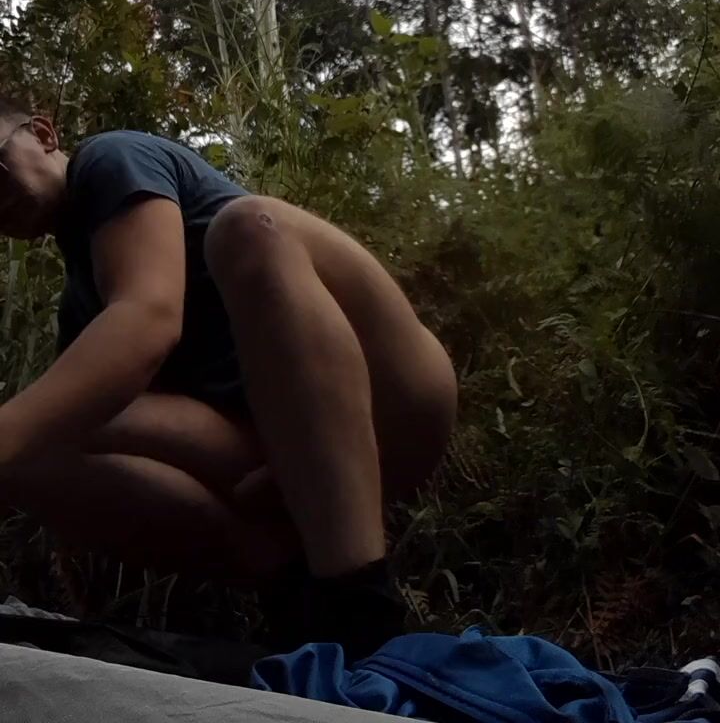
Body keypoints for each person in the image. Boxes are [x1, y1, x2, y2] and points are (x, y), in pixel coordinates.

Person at [0, 99, 457, 658]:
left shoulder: (110, 158)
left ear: (43, 134)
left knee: (247, 227)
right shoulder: (80, 301)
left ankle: (360, 605)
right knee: (44, 439)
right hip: (284, 464)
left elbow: (147, 319)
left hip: (390, 400)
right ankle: (288, 586)